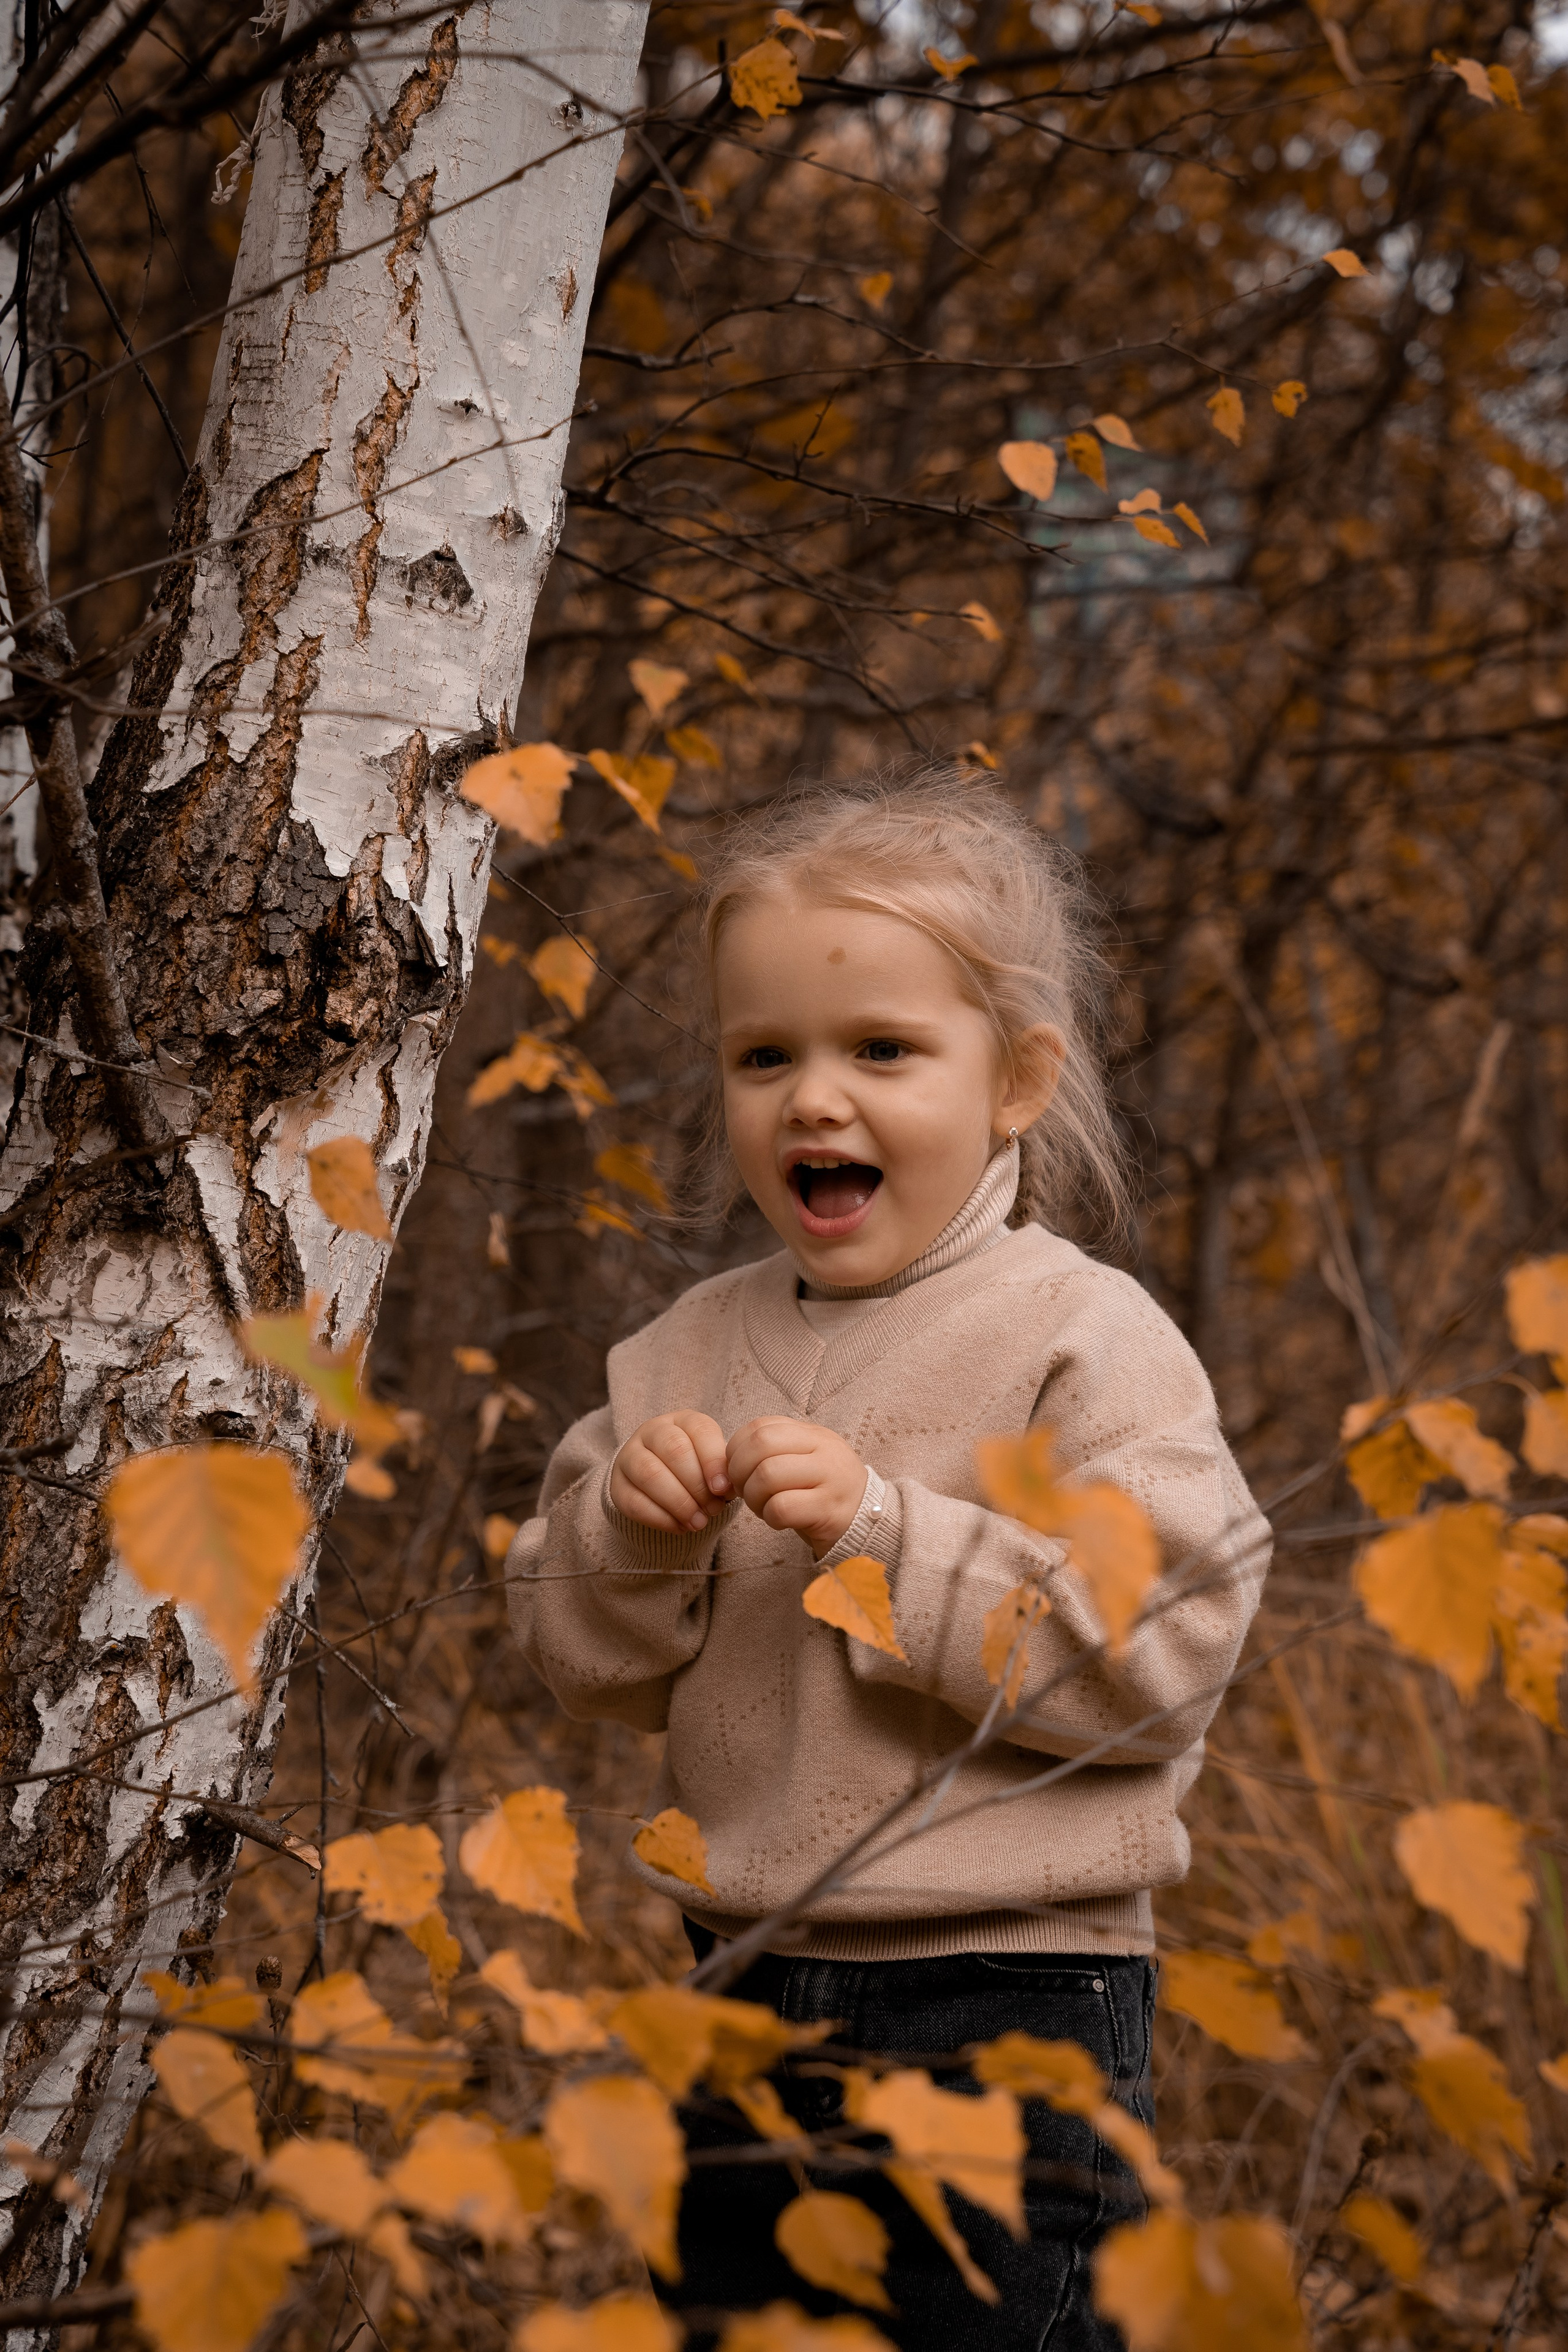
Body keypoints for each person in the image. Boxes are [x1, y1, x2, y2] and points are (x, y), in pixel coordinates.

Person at [508, 771, 1272, 2350]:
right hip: (732, 1983)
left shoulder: (1079, 1336)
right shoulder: (688, 1347)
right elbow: (578, 1655)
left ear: (1016, 1082)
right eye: (764, 1056)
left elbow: (1164, 1662)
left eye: (883, 1052)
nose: (815, 1100)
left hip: (1005, 2006)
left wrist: (885, 1528)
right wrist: (630, 1533)